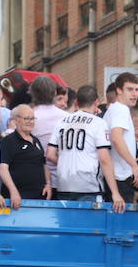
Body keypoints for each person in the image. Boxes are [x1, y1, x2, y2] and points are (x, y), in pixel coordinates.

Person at [47, 84, 126, 213]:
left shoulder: (62, 122)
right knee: (90, 229)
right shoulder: (98, 123)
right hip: (89, 186)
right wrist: (115, 193)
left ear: (77, 102)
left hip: (64, 184)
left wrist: (66, 162)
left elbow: (50, 154)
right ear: (96, 102)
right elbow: (104, 159)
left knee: (67, 229)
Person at [103, 72, 138, 203]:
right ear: (119, 90)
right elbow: (116, 138)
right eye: (130, 89)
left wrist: (131, 138)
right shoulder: (121, 109)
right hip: (119, 177)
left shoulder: (114, 109)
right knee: (121, 221)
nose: (135, 94)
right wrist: (135, 166)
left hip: (115, 175)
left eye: (137, 89)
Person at [0, 105, 50, 206]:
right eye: (27, 118)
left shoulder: (36, 140)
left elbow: (43, 164)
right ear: (16, 120)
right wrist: (13, 192)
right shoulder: (8, 141)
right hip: (18, 199)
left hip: (39, 198)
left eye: (32, 118)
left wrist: (48, 184)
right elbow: (3, 169)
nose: (30, 122)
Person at [30, 75, 69, 186]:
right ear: (54, 93)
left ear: (32, 93)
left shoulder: (29, 118)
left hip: (37, 177)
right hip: (63, 177)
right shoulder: (66, 117)